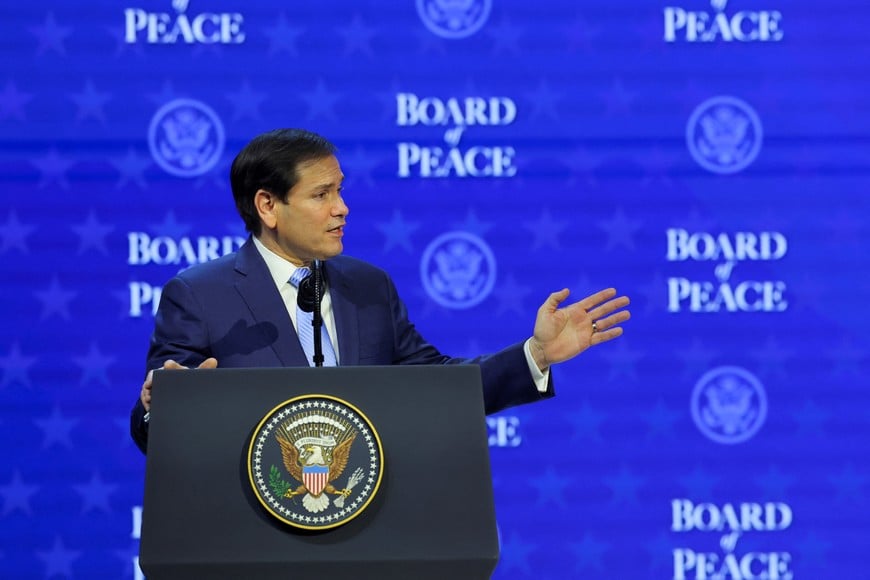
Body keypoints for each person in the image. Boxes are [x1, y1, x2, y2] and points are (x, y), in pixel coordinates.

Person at [130, 128, 630, 453]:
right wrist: (161, 405)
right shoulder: (199, 294)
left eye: (340, 190)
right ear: (267, 206)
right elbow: (156, 424)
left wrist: (536, 354)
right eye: (321, 195)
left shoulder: (367, 287)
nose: (342, 208)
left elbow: (438, 386)